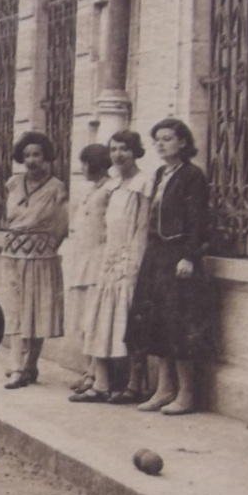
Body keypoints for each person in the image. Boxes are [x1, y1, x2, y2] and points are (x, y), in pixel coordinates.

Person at [125, 118, 216, 415]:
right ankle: (164, 389)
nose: (161, 144)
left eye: (167, 138)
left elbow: (198, 221)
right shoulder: (162, 173)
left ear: (183, 143)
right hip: (158, 256)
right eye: (157, 140)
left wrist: (189, 256)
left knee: (179, 327)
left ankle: (186, 394)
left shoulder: (192, 176)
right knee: (157, 324)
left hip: (180, 258)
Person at [81, 130, 153, 404]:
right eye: (114, 149)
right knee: (101, 319)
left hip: (129, 259)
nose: (118, 155)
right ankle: (101, 383)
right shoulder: (112, 187)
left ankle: (135, 385)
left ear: (135, 151)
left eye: (124, 149)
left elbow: (143, 226)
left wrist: (134, 261)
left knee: (129, 321)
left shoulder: (143, 183)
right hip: (108, 258)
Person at [0, 131, 68, 389]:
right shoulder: (13, 184)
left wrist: (44, 246)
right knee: (16, 311)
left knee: (37, 311)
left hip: (41, 256)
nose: (31, 160)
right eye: (27, 155)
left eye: (36, 154)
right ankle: (17, 365)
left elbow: (61, 225)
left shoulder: (56, 187)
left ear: (46, 156)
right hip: (12, 253)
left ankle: (31, 365)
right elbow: (10, 217)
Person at [63, 143, 114, 397]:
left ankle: (97, 375)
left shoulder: (109, 190)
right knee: (84, 321)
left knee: (95, 321)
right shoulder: (89, 191)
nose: (82, 168)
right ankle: (88, 371)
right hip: (83, 261)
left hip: (98, 262)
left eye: (86, 163)